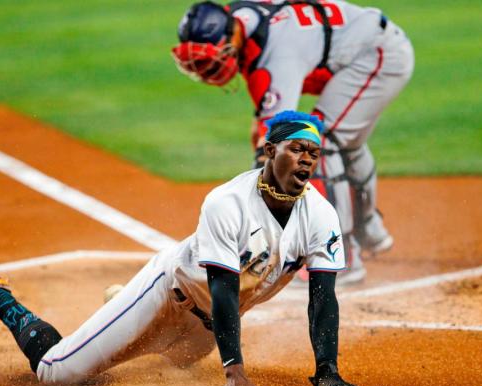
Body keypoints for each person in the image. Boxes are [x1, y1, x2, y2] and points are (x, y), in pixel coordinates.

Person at [0, 111, 358, 386]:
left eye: (312, 154)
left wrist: (327, 371)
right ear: (270, 151)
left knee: (175, 368)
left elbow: (323, 298)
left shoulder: (319, 215)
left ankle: (117, 308)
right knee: (58, 376)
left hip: (205, 328)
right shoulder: (228, 203)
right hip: (167, 293)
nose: (305, 159)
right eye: (297, 149)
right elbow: (224, 290)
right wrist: (235, 372)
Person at [172, 0, 415, 285]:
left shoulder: (276, 53)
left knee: (317, 144)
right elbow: (262, 126)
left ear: (232, 35)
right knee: (345, 143)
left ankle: (341, 259)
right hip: (364, 47)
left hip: (377, 55)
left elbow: (274, 148)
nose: (206, 70)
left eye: (210, 59)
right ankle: (368, 229)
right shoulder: (245, 21)